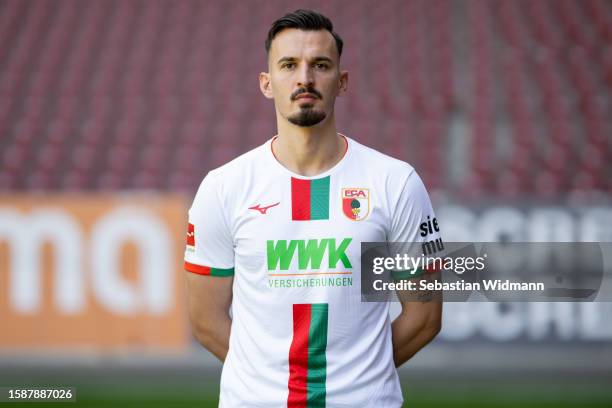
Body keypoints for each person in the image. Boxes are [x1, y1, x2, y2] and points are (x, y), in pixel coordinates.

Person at [185, 9, 442, 407]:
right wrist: (268, 384)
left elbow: (424, 317)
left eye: (320, 65)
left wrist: (355, 381)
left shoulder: (396, 183)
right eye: (289, 65)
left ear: (341, 82)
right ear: (267, 84)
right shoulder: (223, 188)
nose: (304, 78)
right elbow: (205, 320)